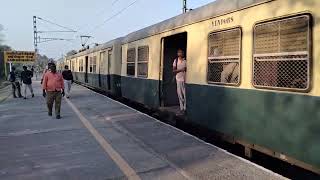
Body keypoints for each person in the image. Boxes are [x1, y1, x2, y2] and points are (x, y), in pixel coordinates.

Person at [173, 49, 187, 114]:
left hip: (185, 79)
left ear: (183, 53)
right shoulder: (175, 61)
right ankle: (181, 108)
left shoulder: (185, 61)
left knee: (185, 94)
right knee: (179, 94)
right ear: (177, 53)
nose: (180, 53)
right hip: (178, 79)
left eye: (181, 52)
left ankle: (185, 108)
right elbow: (174, 71)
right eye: (179, 52)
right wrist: (181, 69)